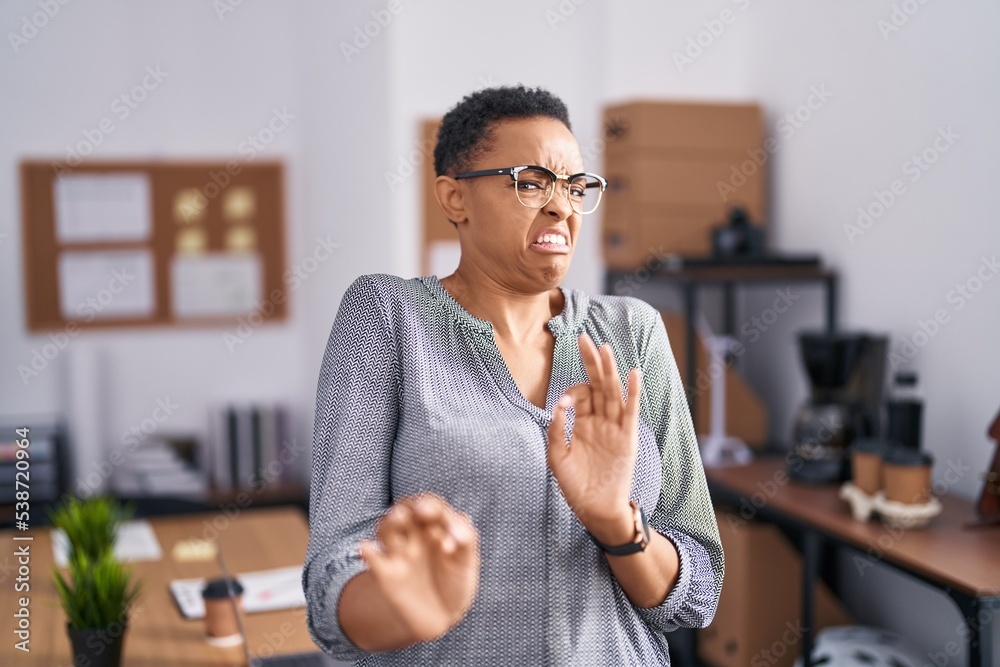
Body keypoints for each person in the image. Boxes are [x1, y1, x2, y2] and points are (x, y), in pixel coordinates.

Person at [303, 85, 724, 665]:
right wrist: (399, 607)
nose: (562, 207)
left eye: (576, 187)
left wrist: (616, 524)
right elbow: (332, 570)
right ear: (455, 198)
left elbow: (697, 590)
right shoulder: (387, 317)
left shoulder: (633, 332)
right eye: (532, 181)